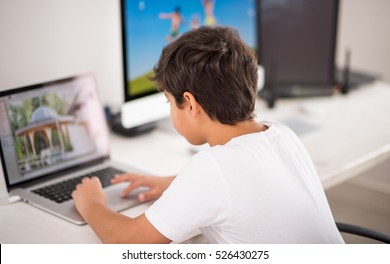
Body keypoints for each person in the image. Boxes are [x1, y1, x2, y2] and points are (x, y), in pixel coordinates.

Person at [72, 26, 344, 244]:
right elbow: (244, 183)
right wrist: (172, 184)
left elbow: (127, 242)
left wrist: (92, 203)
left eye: (169, 102)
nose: (170, 109)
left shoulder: (212, 169)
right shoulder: (282, 134)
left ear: (190, 104)